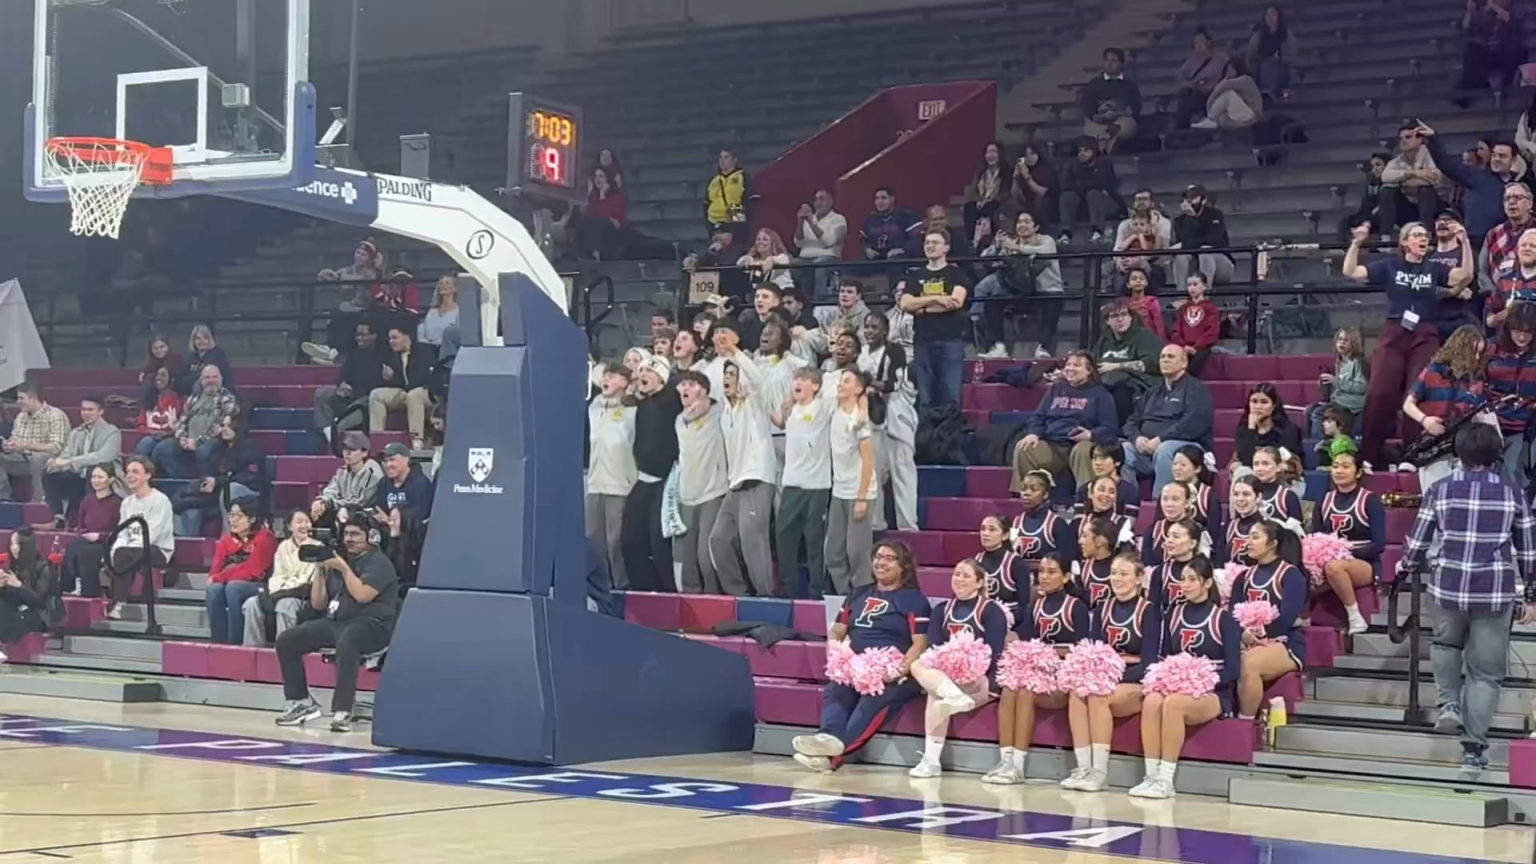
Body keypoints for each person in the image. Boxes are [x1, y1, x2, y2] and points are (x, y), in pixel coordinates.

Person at [1401, 423, 1536, 772]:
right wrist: (1531, 594)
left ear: (1458, 453)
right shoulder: (1512, 494)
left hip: (1447, 587)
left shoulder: (1440, 489)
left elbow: (1417, 542)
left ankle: (1449, 705)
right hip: (1494, 592)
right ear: (1497, 455)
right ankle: (1473, 751)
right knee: (1485, 674)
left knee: (1445, 645)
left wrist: (1406, 565)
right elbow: (1528, 550)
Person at [791, 540, 929, 773]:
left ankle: (831, 759)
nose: (881, 563)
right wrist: (837, 655)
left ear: (903, 565)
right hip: (856, 667)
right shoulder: (858, 593)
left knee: (873, 699)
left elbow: (920, 643)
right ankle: (826, 738)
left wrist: (897, 672)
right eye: (878, 557)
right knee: (836, 689)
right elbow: (837, 631)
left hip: (893, 674)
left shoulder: (914, 599)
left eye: (889, 558)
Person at [1345, 219, 1474, 469]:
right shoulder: (1390, 265)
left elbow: (1465, 275)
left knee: (1418, 391)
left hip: (1425, 332)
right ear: (1404, 242)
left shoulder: (1434, 267)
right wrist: (1356, 244)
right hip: (1395, 330)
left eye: (1425, 235)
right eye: (1416, 235)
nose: (1423, 239)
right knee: (1381, 391)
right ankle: (1370, 455)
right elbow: (1351, 272)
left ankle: (1413, 454)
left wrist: (1465, 242)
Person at [274, 519, 400, 733]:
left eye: (355, 534)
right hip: (337, 621)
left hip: (372, 625)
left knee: (348, 640)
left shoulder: (379, 563)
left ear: (371, 537)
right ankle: (301, 702)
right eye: (347, 534)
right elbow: (318, 603)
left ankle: (343, 709)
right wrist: (320, 570)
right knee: (287, 640)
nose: (349, 539)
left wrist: (342, 568)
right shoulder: (339, 559)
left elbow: (362, 595)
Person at [1131, 554, 1241, 799]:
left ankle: (1166, 780)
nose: (1186, 585)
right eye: (1183, 579)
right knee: (1151, 700)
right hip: (1179, 687)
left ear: (1207, 583)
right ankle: (1151, 776)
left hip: (1214, 692)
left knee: (1173, 704)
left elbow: (1233, 669)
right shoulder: (1173, 614)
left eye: (1192, 579)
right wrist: (1171, 678)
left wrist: (1199, 681)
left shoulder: (1223, 618)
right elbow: (1165, 657)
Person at [983, 552, 1088, 784]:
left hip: (1063, 677)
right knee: (1009, 689)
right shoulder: (1035, 605)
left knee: (1025, 691)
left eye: (1052, 572)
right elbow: (1028, 642)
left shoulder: (1076, 607)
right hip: (1037, 672)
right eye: (1041, 571)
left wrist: (1051, 654)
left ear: (1066, 577)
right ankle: (1006, 761)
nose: (1045, 577)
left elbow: (1083, 650)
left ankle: (1018, 766)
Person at [1062, 549, 1162, 791]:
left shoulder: (1149, 611)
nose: (1117, 578)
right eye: (1114, 573)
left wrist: (1111, 679)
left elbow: (1149, 662)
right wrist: (1096, 676)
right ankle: (1084, 768)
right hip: (1106, 678)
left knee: (1098, 695)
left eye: (1124, 573)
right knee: (1076, 693)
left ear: (1139, 578)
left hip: (1136, 679)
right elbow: (1093, 651)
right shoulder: (1102, 609)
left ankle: (1100, 772)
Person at [908, 558, 1009, 778]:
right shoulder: (941, 610)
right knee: (918, 665)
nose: (959, 579)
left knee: (936, 691)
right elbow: (934, 651)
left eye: (966, 575)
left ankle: (931, 760)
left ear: (979, 582)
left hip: (981, 681)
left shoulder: (991, 611)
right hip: (949, 681)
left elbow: (996, 654)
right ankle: (953, 697)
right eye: (956, 574)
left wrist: (976, 678)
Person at [708, 343, 777, 598]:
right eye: (725, 374)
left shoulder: (754, 403)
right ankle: (739, 595)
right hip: (735, 483)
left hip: (756, 478)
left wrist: (735, 352)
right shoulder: (725, 411)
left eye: (732, 375)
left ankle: (766, 597)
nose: (727, 378)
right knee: (718, 540)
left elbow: (758, 380)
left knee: (752, 541)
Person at [1230, 520, 1306, 718]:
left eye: (1255, 537)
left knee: (1249, 663)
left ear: (1272, 543)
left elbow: (1287, 617)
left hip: (1286, 642)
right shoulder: (1243, 577)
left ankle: (1245, 723)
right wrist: (1243, 634)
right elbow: (1231, 616)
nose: (1248, 542)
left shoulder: (1290, 575)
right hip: (1247, 641)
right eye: (1248, 537)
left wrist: (1259, 635)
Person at [1011, 351, 1117, 491]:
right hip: (1052, 443)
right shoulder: (1056, 389)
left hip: (1078, 445)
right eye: (1068, 364)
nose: (1070, 368)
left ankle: (1085, 496)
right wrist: (1034, 433)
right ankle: (1028, 495)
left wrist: (1090, 434)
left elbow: (1110, 428)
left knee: (1083, 449)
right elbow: (1038, 416)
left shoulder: (1101, 394)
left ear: (1089, 371)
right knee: (1025, 448)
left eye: (1076, 365)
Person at [1404, 324, 1492, 485]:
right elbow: (1408, 405)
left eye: (1479, 353)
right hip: (1435, 445)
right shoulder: (1433, 371)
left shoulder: (1476, 378)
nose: (1476, 358)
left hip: (1465, 449)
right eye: (1473, 352)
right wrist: (1425, 420)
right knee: (1435, 492)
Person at [1121, 345, 1214, 497]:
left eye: (1170, 357)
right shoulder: (1152, 392)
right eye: (1162, 357)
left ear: (1184, 363)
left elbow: (1193, 423)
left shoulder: (1196, 389)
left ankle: (1161, 501)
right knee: (1123, 450)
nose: (1165, 360)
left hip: (1185, 447)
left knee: (1165, 449)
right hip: (1147, 450)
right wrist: (1137, 438)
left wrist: (1160, 439)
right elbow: (1131, 421)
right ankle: (1129, 500)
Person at [973, 211, 1065, 359]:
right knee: (992, 302)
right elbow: (985, 260)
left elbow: (1044, 253)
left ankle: (1044, 348)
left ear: (1036, 227)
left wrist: (1017, 248)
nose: (1022, 225)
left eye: (1027, 222)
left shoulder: (1046, 240)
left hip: (1047, 290)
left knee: (1052, 302)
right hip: (1019, 291)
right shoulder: (1011, 243)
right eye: (1019, 222)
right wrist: (996, 246)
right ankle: (999, 347)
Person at [1313, 448, 1386, 635]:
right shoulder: (1324, 500)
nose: (1339, 471)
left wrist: (1344, 553)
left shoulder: (1370, 500)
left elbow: (1379, 544)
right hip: (1329, 560)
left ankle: (1355, 617)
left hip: (1364, 562)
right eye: (1335, 466)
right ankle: (1302, 615)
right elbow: (1316, 537)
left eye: (1345, 466)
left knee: (1334, 567)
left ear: (1358, 472)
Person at [623, 356, 680, 592]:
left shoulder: (672, 399)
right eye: (641, 371)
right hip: (644, 478)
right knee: (629, 540)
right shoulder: (643, 405)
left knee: (659, 542)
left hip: (666, 480)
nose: (642, 375)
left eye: (648, 371)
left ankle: (670, 592)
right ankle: (644, 589)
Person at [897, 229, 970, 410]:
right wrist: (937, 299)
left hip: (950, 341)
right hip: (923, 342)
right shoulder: (915, 276)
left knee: (951, 397)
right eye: (927, 243)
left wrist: (921, 308)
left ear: (946, 248)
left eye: (935, 242)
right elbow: (905, 304)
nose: (930, 246)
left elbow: (956, 302)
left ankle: (949, 428)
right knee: (925, 398)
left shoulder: (956, 274)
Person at [858, 313, 916, 532]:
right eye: (867, 326)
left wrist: (869, 382)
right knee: (873, 473)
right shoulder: (861, 353)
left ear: (885, 330)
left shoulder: (894, 350)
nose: (870, 331)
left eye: (875, 327)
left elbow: (894, 384)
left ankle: (908, 526)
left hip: (897, 416)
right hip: (872, 419)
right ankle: (876, 524)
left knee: (903, 473)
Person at [824, 370, 877, 594]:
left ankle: (861, 597)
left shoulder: (859, 420)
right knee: (833, 552)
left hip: (859, 493)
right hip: (839, 491)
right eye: (840, 380)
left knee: (857, 554)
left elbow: (868, 460)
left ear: (857, 388)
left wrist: (861, 498)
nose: (840, 384)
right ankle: (845, 596)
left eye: (847, 381)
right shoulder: (833, 409)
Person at [674, 371, 728, 594]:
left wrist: (707, 403)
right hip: (687, 494)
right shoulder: (679, 419)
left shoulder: (719, 412)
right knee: (686, 557)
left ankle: (714, 597)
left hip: (712, 491)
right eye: (682, 385)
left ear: (703, 390)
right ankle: (689, 600)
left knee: (705, 555)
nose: (683, 389)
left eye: (690, 384)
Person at [173, 413, 265, 537]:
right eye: (222, 425)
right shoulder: (216, 448)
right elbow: (209, 475)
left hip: (242, 490)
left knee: (230, 489)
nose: (224, 429)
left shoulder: (249, 447)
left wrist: (218, 482)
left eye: (229, 425)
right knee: (188, 499)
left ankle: (228, 538)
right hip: (216, 490)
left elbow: (249, 477)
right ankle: (187, 543)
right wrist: (204, 485)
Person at [107, 456, 174, 625]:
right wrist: (115, 550)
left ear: (148, 475)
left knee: (125, 555)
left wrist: (124, 551)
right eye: (128, 472)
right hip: (131, 549)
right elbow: (122, 532)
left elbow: (152, 535)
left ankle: (119, 602)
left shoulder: (160, 500)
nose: (129, 476)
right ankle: (118, 601)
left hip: (157, 549)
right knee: (118, 553)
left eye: (135, 472)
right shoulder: (127, 503)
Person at [586, 363, 635, 591]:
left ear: (625, 382)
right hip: (595, 484)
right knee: (593, 541)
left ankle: (622, 587)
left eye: (613, 376)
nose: (606, 379)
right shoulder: (594, 406)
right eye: (605, 376)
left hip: (620, 485)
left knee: (615, 542)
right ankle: (599, 587)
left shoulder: (633, 410)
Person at [202, 497, 277, 646]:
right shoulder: (225, 541)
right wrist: (217, 578)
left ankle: (236, 644)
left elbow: (252, 571)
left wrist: (219, 577)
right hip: (233, 582)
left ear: (252, 519)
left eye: (239, 516)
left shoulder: (265, 538)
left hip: (262, 585)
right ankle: (219, 644)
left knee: (234, 588)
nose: (233, 520)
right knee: (213, 590)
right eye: (231, 515)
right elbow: (214, 571)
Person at [41, 395, 120, 528]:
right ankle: (58, 517)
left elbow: (104, 456)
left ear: (100, 411)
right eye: (83, 410)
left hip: (104, 479)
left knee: (92, 470)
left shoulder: (112, 432)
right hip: (79, 478)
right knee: (49, 473)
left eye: (90, 410)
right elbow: (67, 454)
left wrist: (70, 461)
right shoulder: (76, 433)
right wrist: (56, 463)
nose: (86, 413)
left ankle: (91, 520)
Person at [154, 364, 238, 480]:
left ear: (221, 379)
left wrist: (197, 442)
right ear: (201, 380)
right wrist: (182, 438)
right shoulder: (193, 398)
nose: (211, 380)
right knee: (162, 448)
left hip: (211, 442)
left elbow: (219, 426)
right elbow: (183, 421)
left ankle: (205, 482)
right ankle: (185, 479)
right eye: (207, 377)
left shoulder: (227, 398)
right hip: (189, 441)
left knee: (205, 449)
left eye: (214, 377)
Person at [1487, 303, 1536, 489]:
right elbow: (1474, 381)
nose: (1522, 337)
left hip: (1526, 425)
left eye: (1527, 332)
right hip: (1491, 423)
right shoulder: (1491, 348)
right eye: (1517, 331)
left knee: (1514, 473)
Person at [1093, 299, 1163, 423]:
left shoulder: (1144, 336)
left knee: (1119, 392)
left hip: (1140, 386)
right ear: (1107, 321)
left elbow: (1151, 364)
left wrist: (1116, 366)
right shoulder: (1104, 341)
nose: (1120, 319)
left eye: (1124, 314)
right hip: (1107, 384)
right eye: (1114, 316)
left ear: (1131, 317)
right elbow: (1093, 362)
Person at [369, 326, 436, 452]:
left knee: (413, 396)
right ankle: (377, 437)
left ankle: (417, 440)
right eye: (389, 339)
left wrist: (407, 389)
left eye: (395, 338)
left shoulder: (423, 350)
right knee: (376, 395)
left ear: (407, 337)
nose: (391, 342)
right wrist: (389, 378)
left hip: (427, 392)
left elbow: (424, 377)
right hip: (406, 391)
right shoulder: (394, 355)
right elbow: (399, 382)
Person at [0, 383, 69, 504]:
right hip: (23, 460)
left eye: (21, 398)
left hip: (50, 461)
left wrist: (26, 445)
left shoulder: (55, 415)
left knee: (37, 458)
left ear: (33, 398)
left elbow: (57, 447)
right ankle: (3, 498)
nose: (18, 402)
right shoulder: (21, 417)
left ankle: (41, 500)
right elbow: (16, 439)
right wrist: (9, 446)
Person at [59, 464, 120, 597]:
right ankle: (69, 586)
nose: (96, 480)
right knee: (72, 547)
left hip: (107, 542)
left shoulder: (118, 503)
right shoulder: (87, 501)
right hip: (87, 539)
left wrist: (100, 536)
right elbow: (80, 525)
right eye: (93, 477)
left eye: (100, 477)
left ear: (111, 479)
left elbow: (118, 531)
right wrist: (84, 534)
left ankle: (88, 590)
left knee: (87, 552)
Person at [1456, 0, 1528, 107]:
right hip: (1488, 50)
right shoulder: (1482, 10)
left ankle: (1507, 88)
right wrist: (1470, 11)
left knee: (1517, 51)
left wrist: (1494, 7)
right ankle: (1470, 90)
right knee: (1471, 50)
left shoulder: (1515, 7)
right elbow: (1466, 28)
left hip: (1507, 49)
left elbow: (1514, 21)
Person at [1379, 126, 1447, 236]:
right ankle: (1385, 236)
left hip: (1435, 208)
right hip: (1409, 208)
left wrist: (1403, 181)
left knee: (1426, 190)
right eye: (1401, 138)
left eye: (1408, 137)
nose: (1403, 141)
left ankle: (1426, 233)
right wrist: (1414, 173)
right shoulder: (1398, 159)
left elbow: (1435, 178)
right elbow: (1385, 177)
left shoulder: (1430, 155)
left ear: (1419, 139)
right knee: (1387, 190)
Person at [311, 432, 384, 530]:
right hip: (344, 510)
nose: (347, 454)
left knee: (347, 513)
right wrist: (321, 501)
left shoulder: (373, 473)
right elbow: (331, 491)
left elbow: (361, 501)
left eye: (353, 450)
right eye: (345, 449)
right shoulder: (341, 471)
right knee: (317, 512)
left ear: (364, 453)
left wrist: (330, 503)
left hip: (366, 516)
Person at [1305, 327, 1368, 438]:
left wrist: (1336, 381)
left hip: (1351, 404)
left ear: (1354, 343)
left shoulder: (1358, 362)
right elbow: (1339, 387)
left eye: (1345, 340)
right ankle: (1309, 442)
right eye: (1339, 339)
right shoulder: (1340, 363)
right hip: (1338, 401)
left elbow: (1361, 387)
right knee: (1309, 410)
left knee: (1318, 413)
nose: (1341, 342)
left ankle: (1319, 444)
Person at [0, 529, 58, 644]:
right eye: (11, 543)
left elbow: (40, 601)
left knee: (13, 619)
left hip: (37, 614)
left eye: (17, 544)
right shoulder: (12, 567)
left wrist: (19, 585)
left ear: (26, 545)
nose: (13, 548)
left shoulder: (43, 568)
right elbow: (9, 599)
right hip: (15, 609)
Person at [1058, 138, 1123, 241]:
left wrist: (1080, 185)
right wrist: (1084, 186)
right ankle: (1066, 233)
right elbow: (1065, 185)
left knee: (1093, 194)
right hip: (1084, 204)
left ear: (1094, 151)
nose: (1082, 154)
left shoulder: (1104, 164)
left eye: (1086, 150)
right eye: (1080, 151)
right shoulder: (1073, 166)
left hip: (1108, 203)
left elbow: (1101, 183)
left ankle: (1098, 231)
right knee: (1067, 196)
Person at [1170, 185, 1234, 289]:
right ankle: (1181, 294)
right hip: (1193, 266)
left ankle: (1204, 292)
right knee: (1181, 255)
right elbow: (1184, 241)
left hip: (1221, 265)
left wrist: (1184, 245)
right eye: (1186, 199)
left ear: (1203, 200)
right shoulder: (1180, 221)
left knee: (1205, 250)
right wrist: (1190, 219)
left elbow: (1214, 240)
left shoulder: (1215, 214)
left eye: (1193, 198)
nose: (1189, 202)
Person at [1079, 47, 1141, 153]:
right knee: (1092, 127)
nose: (1109, 64)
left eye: (1113, 61)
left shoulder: (1129, 85)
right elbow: (1086, 103)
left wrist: (1123, 113)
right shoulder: (1094, 84)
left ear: (1121, 64)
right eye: (1106, 60)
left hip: (1121, 119)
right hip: (1099, 120)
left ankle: (1112, 141)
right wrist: (1097, 116)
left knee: (1128, 124)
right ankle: (1106, 145)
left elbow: (1136, 106)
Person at [1231, 382, 1302, 471]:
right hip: (1252, 474)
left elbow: (1287, 460)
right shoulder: (1243, 429)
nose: (1258, 407)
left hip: (1281, 474)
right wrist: (1251, 428)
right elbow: (1247, 461)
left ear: (1273, 406)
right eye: (1254, 401)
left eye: (1264, 402)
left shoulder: (1288, 430)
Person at [793, 189, 847, 300]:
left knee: (819, 265)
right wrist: (800, 222)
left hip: (828, 257)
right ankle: (798, 303)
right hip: (805, 258)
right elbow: (798, 243)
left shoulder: (839, 219)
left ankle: (819, 303)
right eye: (816, 199)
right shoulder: (809, 218)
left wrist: (811, 223)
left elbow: (829, 241)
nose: (818, 202)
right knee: (792, 265)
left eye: (822, 199)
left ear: (831, 202)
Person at [976, 513, 1032, 619]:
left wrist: (1009, 621)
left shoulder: (1016, 563)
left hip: (1010, 619)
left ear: (1005, 535)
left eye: (992, 529)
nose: (985, 533)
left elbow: (1024, 604)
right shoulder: (977, 559)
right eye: (983, 529)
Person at [1011, 470, 1074, 564]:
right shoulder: (1016, 521)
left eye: (1033, 489)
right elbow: (1011, 553)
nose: (1026, 493)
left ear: (1045, 495)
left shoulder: (1057, 523)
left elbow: (1067, 559)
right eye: (1023, 489)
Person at [1175, 28, 1231, 129]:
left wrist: (1216, 85)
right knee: (1185, 98)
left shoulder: (1222, 59)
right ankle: (1183, 129)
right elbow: (1180, 80)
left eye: (1200, 41)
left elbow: (1231, 76)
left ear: (1209, 42)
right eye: (1196, 42)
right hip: (1198, 94)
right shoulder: (1190, 62)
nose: (1198, 45)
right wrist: (1193, 85)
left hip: (1217, 93)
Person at [1076, 441, 1141, 521]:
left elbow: (1127, 524)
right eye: (1094, 458)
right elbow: (1078, 524)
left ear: (1117, 462)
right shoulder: (1083, 490)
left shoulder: (1130, 492)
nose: (1098, 463)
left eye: (1103, 458)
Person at [964, 142, 1012, 253]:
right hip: (982, 201)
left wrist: (990, 200)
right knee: (969, 208)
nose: (990, 155)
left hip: (999, 202)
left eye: (993, 152)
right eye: (988, 152)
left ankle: (989, 240)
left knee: (990, 207)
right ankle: (972, 240)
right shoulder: (981, 173)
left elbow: (1006, 192)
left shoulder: (1007, 172)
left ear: (1000, 154)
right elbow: (975, 190)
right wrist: (978, 200)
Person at [573, 166, 628, 260]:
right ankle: (581, 255)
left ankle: (597, 254)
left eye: (601, 176)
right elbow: (586, 214)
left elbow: (607, 216)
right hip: (595, 229)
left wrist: (602, 195)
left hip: (612, 233)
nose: (597, 179)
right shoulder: (594, 196)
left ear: (608, 179)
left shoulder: (618, 198)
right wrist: (590, 192)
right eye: (595, 176)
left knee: (602, 222)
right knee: (583, 222)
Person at [1170, 273, 1219, 377]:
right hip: (1183, 346)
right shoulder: (1183, 308)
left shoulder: (1210, 308)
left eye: (1195, 284)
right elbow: (1176, 330)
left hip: (1201, 348)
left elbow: (1212, 331)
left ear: (1204, 286)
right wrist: (1183, 345)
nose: (1192, 288)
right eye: (1189, 285)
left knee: (1194, 366)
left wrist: (1196, 347)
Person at [1489, 227, 1536, 333]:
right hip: (1506, 340)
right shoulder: (1503, 282)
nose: (1527, 249)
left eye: (1533, 246)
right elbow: (1489, 320)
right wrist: (1505, 314)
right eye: (1523, 245)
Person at [1142, 484, 1199, 571]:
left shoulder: (1197, 530)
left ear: (1187, 502)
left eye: (1175, 499)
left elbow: (1202, 567)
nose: (1169, 504)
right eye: (1165, 499)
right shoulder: (1153, 530)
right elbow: (1145, 564)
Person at [1193, 59, 1262, 130]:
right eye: (1227, 70)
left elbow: (1224, 86)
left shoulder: (1246, 79)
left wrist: (1209, 102)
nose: (1228, 73)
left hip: (1252, 115)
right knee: (1222, 113)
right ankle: (1212, 120)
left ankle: (1211, 118)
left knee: (1228, 94)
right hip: (1242, 115)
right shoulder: (1235, 85)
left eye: (1230, 70)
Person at [1244, 5, 1296, 100]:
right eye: (1267, 14)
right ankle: (1266, 92)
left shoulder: (1286, 35)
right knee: (1267, 64)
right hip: (1260, 69)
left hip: (1281, 69)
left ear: (1279, 17)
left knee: (1271, 64)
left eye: (1273, 14)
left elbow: (1292, 58)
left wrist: (1279, 59)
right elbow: (1250, 55)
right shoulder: (1258, 35)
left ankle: (1268, 92)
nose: (1269, 17)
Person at [859, 187, 922, 263]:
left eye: (883, 198)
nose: (879, 201)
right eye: (876, 198)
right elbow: (863, 240)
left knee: (894, 263)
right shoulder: (870, 219)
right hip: (875, 259)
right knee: (853, 266)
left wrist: (902, 250)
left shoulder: (906, 216)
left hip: (900, 259)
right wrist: (866, 249)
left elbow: (916, 240)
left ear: (892, 199)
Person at [1075, 514, 1125, 607]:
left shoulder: (1123, 570)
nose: (1080, 541)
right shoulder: (1081, 568)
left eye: (1085, 536)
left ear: (1099, 541)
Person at [134, 366, 184, 458]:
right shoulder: (148, 399)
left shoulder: (180, 400)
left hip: (172, 437)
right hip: (151, 435)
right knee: (144, 445)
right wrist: (150, 431)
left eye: (163, 375)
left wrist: (169, 433)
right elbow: (140, 423)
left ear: (171, 379)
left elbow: (183, 423)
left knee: (161, 449)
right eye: (156, 375)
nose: (158, 378)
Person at [1010, 144, 1058, 230]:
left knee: (1039, 201)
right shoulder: (1022, 168)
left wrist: (1027, 178)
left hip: (1046, 202)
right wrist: (1015, 178)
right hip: (1026, 202)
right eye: (1026, 155)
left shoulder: (1046, 168)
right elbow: (1014, 195)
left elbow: (1042, 192)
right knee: (1011, 205)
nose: (1030, 157)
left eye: (1032, 154)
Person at [176, 324, 234, 396]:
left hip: (218, 395)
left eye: (205, 338)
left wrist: (186, 380)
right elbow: (180, 374)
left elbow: (201, 376)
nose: (202, 341)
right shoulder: (192, 356)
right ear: (193, 341)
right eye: (198, 338)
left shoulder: (217, 354)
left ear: (210, 340)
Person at [1249, 446, 1303, 522]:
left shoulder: (1288, 496)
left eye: (1266, 464)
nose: (1260, 469)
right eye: (1256, 464)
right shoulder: (1244, 494)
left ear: (1278, 467)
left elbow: (1297, 528)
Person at [704, 148, 751, 233]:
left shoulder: (743, 177)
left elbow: (750, 201)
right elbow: (706, 203)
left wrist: (739, 225)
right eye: (720, 157)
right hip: (714, 224)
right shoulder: (713, 180)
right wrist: (709, 225)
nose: (722, 160)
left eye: (726, 157)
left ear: (734, 160)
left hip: (735, 223)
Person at [417, 276, 460, 357]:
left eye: (447, 283)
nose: (443, 285)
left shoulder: (459, 311)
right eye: (441, 284)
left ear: (455, 288)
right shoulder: (432, 312)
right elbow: (423, 333)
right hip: (430, 352)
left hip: (448, 354)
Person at [1225, 476, 1264, 565]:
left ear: (1258, 497)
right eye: (1236, 494)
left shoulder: (1267, 527)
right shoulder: (1230, 526)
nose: (1240, 499)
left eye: (1246, 494)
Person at [137, 335, 183, 408]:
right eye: (155, 348)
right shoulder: (151, 362)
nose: (159, 351)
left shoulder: (176, 358)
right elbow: (144, 373)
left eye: (162, 347)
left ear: (168, 347)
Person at [1123, 270, 1164, 340]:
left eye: (1141, 278)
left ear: (1146, 283)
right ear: (1128, 284)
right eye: (1134, 279)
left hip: (1149, 339)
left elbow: (1159, 326)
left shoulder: (1152, 302)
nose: (1138, 281)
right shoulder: (1124, 302)